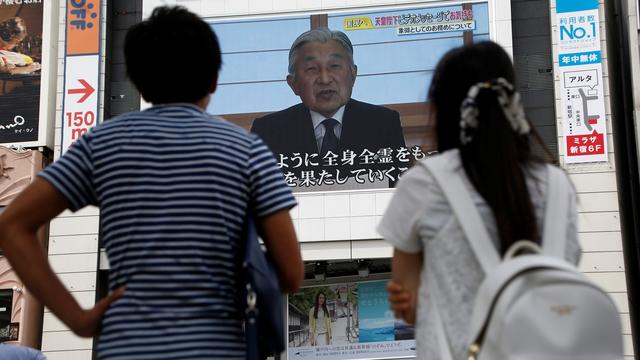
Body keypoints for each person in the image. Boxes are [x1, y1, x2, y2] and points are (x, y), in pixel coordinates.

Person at [0, 6, 303, 360]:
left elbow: (13, 226)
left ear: (137, 80)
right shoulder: (246, 149)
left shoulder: (103, 144)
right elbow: (292, 273)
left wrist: (77, 318)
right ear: (213, 80)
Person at [377, 41, 581, 359]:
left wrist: (412, 300)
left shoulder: (424, 183)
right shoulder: (557, 186)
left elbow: (411, 308)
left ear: (444, 109)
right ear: (511, 98)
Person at [251, 28, 406, 185]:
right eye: (312, 69)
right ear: (293, 84)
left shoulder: (384, 123)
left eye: (334, 66)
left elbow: (399, 194)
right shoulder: (267, 132)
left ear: (353, 74)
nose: (325, 79)